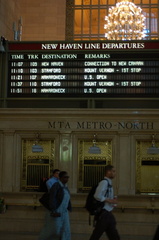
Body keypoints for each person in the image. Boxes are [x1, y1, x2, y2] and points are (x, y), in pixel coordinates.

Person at [89, 165, 120, 240]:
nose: (115, 173)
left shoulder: (109, 183)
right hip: (104, 213)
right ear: (108, 172)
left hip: (107, 213)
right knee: (96, 235)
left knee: (113, 234)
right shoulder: (104, 183)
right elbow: (97, 195)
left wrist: (112, 201)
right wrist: (109, 200)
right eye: (113, 171)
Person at [38, 171, 71, 240]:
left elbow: (67, 198)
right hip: (57, 210)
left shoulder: (65, 187)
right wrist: (53, 210)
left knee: (65, 229)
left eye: (67, 177)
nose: (67, 179)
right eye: (65, 177)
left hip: (64, 212)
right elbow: (52, 198)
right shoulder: (56, 186)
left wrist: (69, 208)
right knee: (54, 229)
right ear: (61, 178)